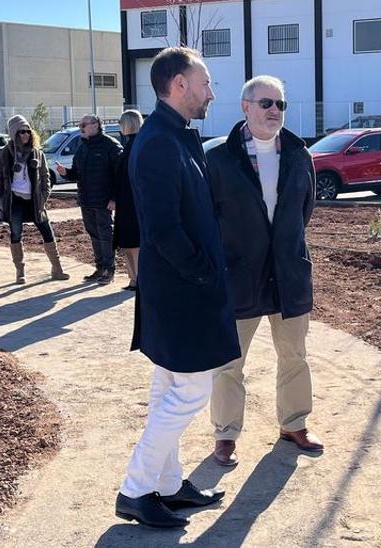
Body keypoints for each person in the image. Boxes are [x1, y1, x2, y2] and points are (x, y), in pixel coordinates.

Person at [115, 46, 239, 530]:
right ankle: (135, 488)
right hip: (180, 291)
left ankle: (166, 486)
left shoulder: (176, 137)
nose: (212, 91)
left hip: (180, 288)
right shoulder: (159, 143)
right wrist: (205, 271)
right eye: (205, 82)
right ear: (179, 85)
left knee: (169, 384)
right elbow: (164, 230)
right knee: (192, 389)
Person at [205, 75, 321, 467]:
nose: (274, 111)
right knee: (228, 361)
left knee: (294, 355)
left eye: (280, 105)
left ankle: (294, 423)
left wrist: (286, 246)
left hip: (288, 274)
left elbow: (306, 209)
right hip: (239, 276)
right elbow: (208, 216)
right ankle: (225, 434)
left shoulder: (299, 154)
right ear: (245, 106)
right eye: (266, 103)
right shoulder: (219, 158)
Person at [0, 115, 71, 284]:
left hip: (35, 200)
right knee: (16, 234)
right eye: (22, 132)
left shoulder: (37, 153)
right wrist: (1, 198)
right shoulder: (3, 154)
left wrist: (43, 197)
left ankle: (57, 269)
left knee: (47, 232)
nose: (26, 135)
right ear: (14, 133)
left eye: (28, 131)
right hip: (15, 201)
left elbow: (45, 177)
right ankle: (20, 272)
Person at [57, 113, 123, 285]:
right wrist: (66, 173)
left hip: (103, 201)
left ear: (95, 125)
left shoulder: (110, 145)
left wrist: (115, 198)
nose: (81, 128)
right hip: (86, 199)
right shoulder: (82, 146)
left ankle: (109, 269)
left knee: (105, 235)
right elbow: (76, 173)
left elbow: (120, 174)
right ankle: (100, 268)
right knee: (93, 234)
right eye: (80, 124)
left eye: (83, 124)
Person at [114, 109, 144, 291]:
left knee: (134, 243)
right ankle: (133, 278)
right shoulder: (129, 145)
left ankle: (138, 278)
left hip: (133, 203)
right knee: (127, 243)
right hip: (126, 202)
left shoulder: (137, 145)